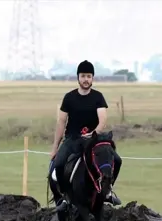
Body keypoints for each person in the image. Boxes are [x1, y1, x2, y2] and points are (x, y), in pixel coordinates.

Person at [49, 60, 122, 212]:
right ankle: (63, 198)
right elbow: (61, 122)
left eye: (89, 76)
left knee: (117, 160)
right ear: (78, 77)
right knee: (59, 164)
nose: (86, 79)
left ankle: (107, 190)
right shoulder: (69, 98)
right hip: (72, 139)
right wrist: (55, 147)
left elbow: (103, 120)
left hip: (94, 140)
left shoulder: (98, 97)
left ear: (92, 78)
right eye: (83, 76)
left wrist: (93, 134)